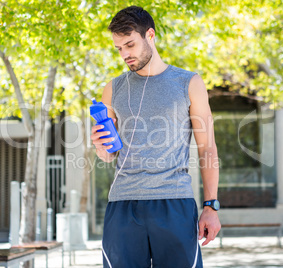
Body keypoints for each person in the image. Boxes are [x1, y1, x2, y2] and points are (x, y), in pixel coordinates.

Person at [90, 6, 221, 268]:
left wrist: (211, 206)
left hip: (174, 203)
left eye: (130, 44)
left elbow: (207, 147)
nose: (125, 54)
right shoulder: (113, 88)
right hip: (123, 205)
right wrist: (100, 146)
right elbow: (109, 154)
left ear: (150, 35)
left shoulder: (188, 83)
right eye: (119, 48)